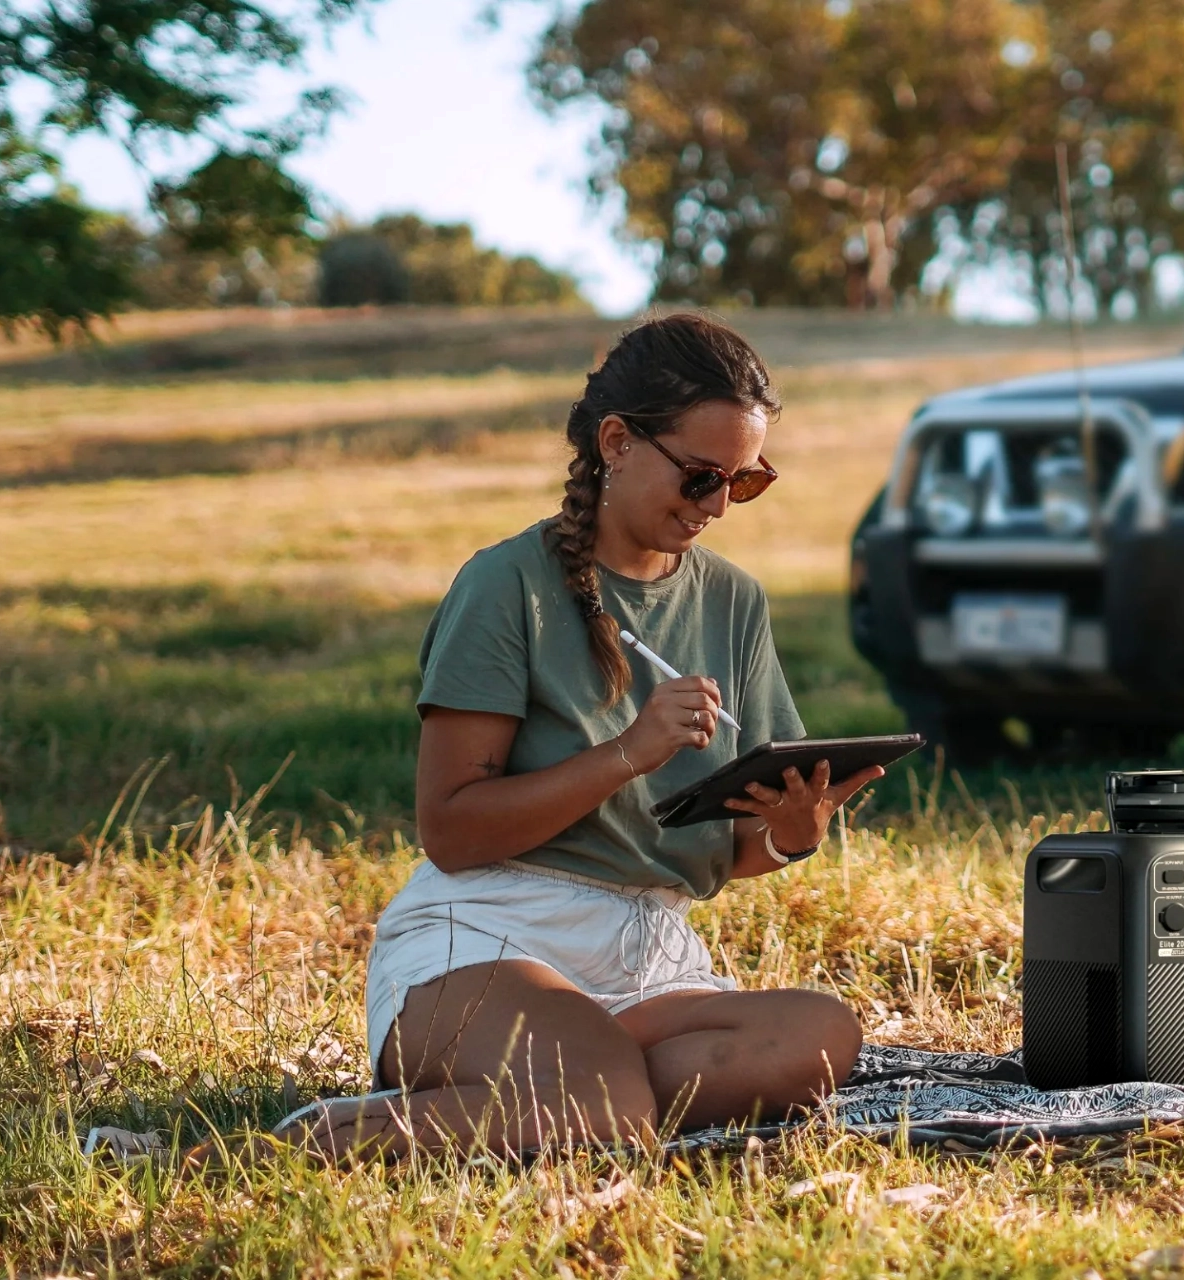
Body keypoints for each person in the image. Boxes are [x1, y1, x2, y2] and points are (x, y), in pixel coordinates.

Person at [287, 314, 880, 1160]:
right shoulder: (506, 585)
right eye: (701, 477)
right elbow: (451, 830)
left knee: (819, 1037)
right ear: (617, 442)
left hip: (648, 961)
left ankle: (552, 1093)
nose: (716, 505)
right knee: (604, 1107)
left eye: (744, 482)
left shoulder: (733, 601)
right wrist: (628, 753)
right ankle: (316, 1137)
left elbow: (733, 844)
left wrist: (789, 835)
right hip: (491, 934)